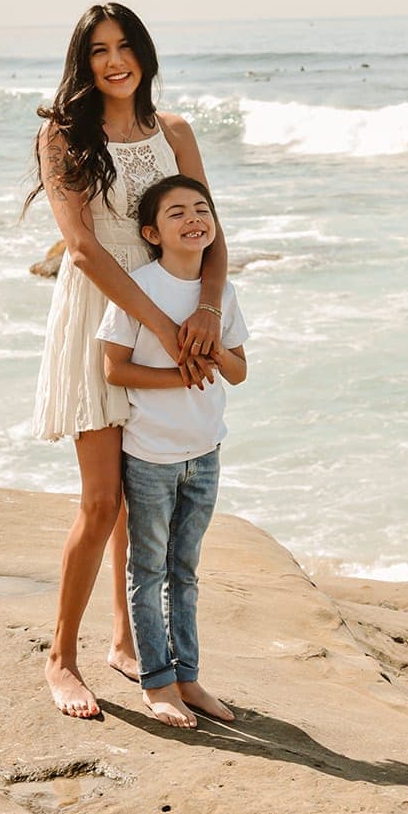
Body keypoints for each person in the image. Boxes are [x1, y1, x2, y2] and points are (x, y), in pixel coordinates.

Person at [28, 3, 228, 718]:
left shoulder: (173, 132)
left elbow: (211, 229)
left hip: (171, 318)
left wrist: (202, 310)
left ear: (143, 52)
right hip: (101, 321)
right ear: (82, 64)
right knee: (101, 499)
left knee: (145, 498)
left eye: (124, 47)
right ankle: (60, 659)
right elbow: (81, 249)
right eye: (98, 51)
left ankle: (128, 642)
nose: (114, 61)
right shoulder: (62, 135)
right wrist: (160, 328)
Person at [98, 175, 247, 729]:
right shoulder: (140, 289)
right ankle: (156, 682)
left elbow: (239, 368)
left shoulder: (221, 295)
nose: (193, 219)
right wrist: (180, 374)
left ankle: (189, 677)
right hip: (151, 456)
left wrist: (211, 357)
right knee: (148, 570)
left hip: (205, 452)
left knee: (186, 570)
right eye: (177, 212)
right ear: (151, 232)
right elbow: (115, 367)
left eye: (201, 209)